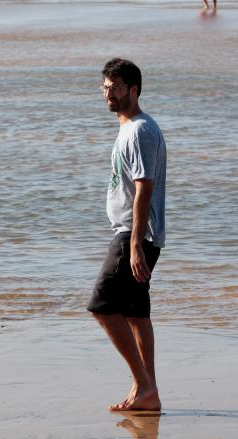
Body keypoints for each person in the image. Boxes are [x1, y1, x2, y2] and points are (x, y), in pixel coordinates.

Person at [87, 58, 167, 412]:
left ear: (134, 90)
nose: (109, 94)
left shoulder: (138, 130)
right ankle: (149, 394)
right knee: (135, 313)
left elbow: (144, 186)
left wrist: (134, 244)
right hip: (137, 235)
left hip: (132, 236)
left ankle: (144, 385)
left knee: (102, 306)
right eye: (105, 87)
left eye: (116, 88)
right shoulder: (134, 128)